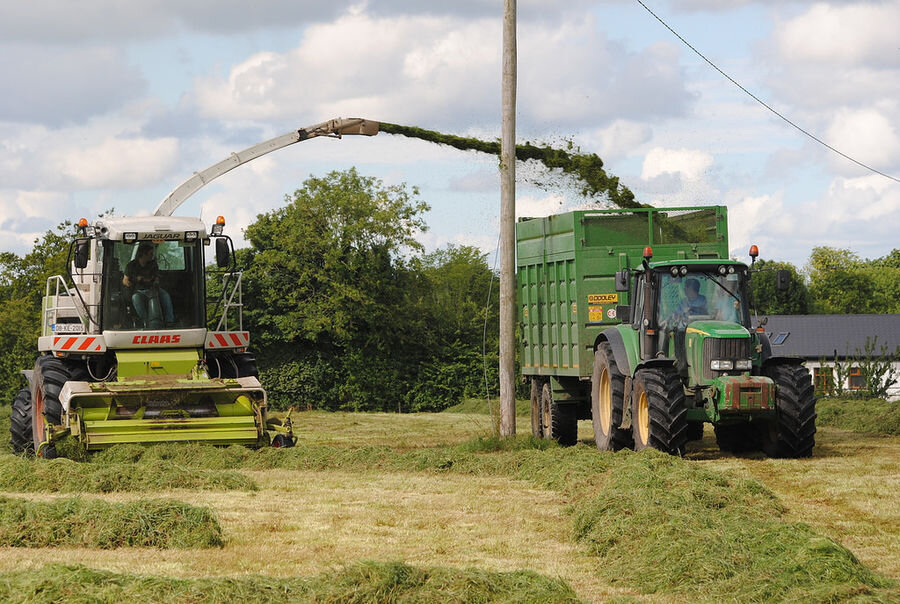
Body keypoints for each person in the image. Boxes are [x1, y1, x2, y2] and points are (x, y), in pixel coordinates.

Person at [123, 242, 175, 327]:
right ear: (143, 254)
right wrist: (134, 281)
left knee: (165, 295)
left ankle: (170, 321)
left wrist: (153, 282)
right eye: (150, 254)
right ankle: (146, 322)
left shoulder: (153, 265)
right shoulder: (131, 265)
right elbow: (125, 280)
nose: (152, 256)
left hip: (153, 289)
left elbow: (156, 278)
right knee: (135, 298)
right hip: (139, 291)